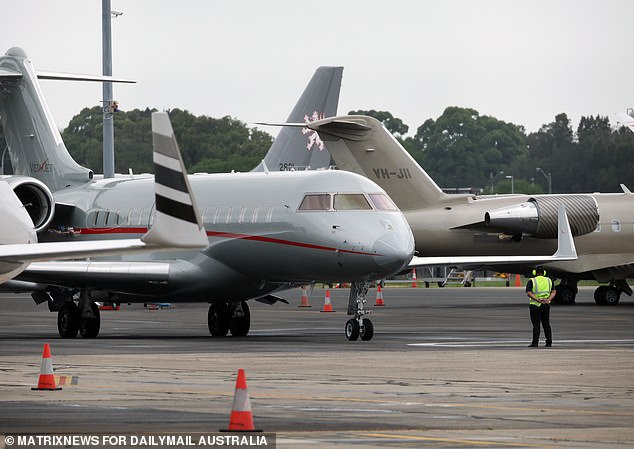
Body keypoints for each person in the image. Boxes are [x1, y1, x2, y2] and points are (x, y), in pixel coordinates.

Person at [525, 266, 556, 347]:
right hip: (546, 305)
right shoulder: (549, 280)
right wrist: (548, 299)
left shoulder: (532, 280)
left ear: (535, 272)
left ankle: (535, 342)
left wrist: (537, 299)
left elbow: (529, 292)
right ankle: (549, 342)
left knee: (536, 325)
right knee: (546, 324)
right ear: (544, 272)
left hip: (535, 305)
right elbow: (553, 291)